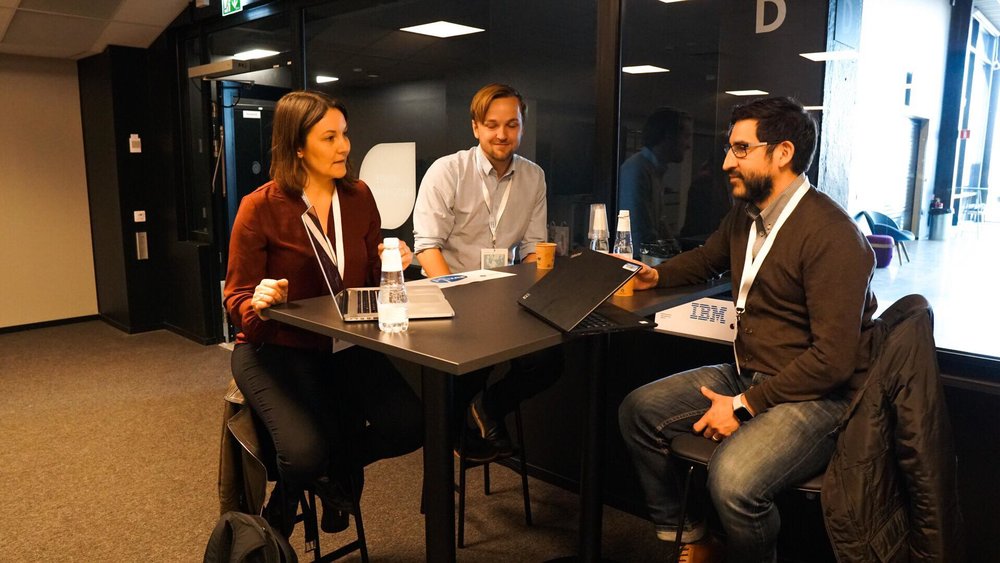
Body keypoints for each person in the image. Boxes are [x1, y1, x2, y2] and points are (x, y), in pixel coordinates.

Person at [618, 97, 878, 563]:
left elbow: (834, 361)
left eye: (740, 149)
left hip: (818, 397)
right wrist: (658, 275)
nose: (724, 162)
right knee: (638, 412)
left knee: (733, 481)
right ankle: (696, 540)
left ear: (781, 153)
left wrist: (742, 406)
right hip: (750, 373)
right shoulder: (748, 214)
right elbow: (709, 257)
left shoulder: (833, 236)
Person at [224, 90, 423, 534]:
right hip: (274, 348)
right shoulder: (260, 207)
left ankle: (329, 475)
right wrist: (260, 301)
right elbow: (235, 300)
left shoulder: (358, 196)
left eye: (345, 135)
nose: (344, 147)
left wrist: (395, 262)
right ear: (298, 145)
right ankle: (298, 491)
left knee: (410, 425)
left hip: (345, 343)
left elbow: (371, 274)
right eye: (329, 137)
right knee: (303, 453)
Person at [412, 83, 559, 461]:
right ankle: (449, 452)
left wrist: (519, 300)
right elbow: (428, 247)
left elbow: (532, 249)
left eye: (512, 125)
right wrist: (461, 302)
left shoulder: (534, 177)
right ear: (476, 127)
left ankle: (488, 409)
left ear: (522, 127)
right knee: (465, 374)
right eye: (492, 125)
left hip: (502, 298)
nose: (502, 135)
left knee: (548, 361)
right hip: (450, 298)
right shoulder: (448, 171)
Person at [618, 107, 692, 255]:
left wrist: (677, 253)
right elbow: (638, 232)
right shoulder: (637, 170)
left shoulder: (652, 169)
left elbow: (658, 222)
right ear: (668, 136)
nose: (688, 145)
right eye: (685, 136)